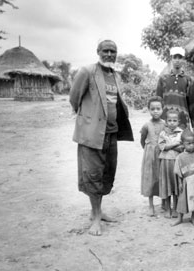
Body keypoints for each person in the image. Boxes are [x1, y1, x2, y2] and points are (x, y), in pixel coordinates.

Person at [69, 39, 134, 236]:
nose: (109, 54)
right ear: (98, 52)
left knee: (107, 173)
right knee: (93, 174)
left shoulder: (115, 75)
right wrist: (87, 121)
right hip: (92, 135)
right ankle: (96, 218)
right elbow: (74, 97)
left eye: (113, 51)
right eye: (105, 51)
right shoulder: (87, 72)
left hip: (112, 133)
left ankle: (96, 211)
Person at [156, 46, 194, 129]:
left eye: (180, 57)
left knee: (182, 142)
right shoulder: (163, 79)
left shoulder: (189, 80)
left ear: (183, 59)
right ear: (171, 59)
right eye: (175, 57)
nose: (177, 60)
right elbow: (157, 102)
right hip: (165, 122)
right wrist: (156, 122)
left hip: (183, 122)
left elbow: (192, 105)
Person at [172, 129, 194, 227]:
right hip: (187, 182)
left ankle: (193, 217)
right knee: (182, 200)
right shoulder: (180, 157)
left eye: (193, 143)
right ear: (183, 144)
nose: (191, 145)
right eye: (188, 143)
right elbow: (178, 172)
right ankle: (179, 218)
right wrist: (179, 183)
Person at [140, 96, 166, 217]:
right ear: (149, 110)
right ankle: (151, 205)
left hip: (162, 155)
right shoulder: (146, 125)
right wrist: (148, 150)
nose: (155, 111)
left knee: (162, 178)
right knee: (150, 178)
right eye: (152, 109)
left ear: (162, 109)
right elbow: (142, 139)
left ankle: (164, 202)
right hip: (150, 156)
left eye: (158, 108)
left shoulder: (165, 124)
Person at [158, 110, 183, 218]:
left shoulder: (181, 133)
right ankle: (167, 208)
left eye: (174, 120)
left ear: (178, 121)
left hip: (177, 162)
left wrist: (169, 145)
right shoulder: (163, 133)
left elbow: (182, 148)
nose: (172, 123)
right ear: (166, 121)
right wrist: (175, 145)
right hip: (166, 162)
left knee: (176, 185)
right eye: (169, 120)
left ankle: (175, 208)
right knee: (167, 185)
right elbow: (162, 147)